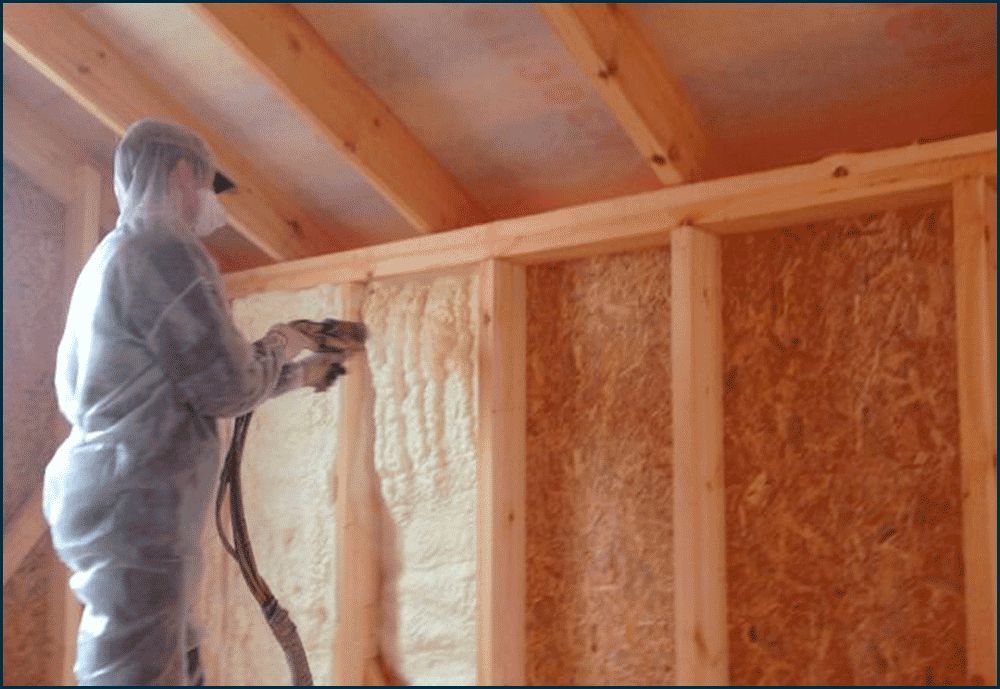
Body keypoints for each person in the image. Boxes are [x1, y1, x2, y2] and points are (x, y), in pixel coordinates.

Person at [42, 119, 336, 685]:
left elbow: (185, 381)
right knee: (137, 670)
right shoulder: (166, 251)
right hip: (137, 500)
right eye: (206, 184)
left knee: (170, 653)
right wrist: (281, 343)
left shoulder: (111, 256)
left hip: (112, 494)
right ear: (181, 173)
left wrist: (299, 376)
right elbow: (227, 386)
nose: (209, 202)